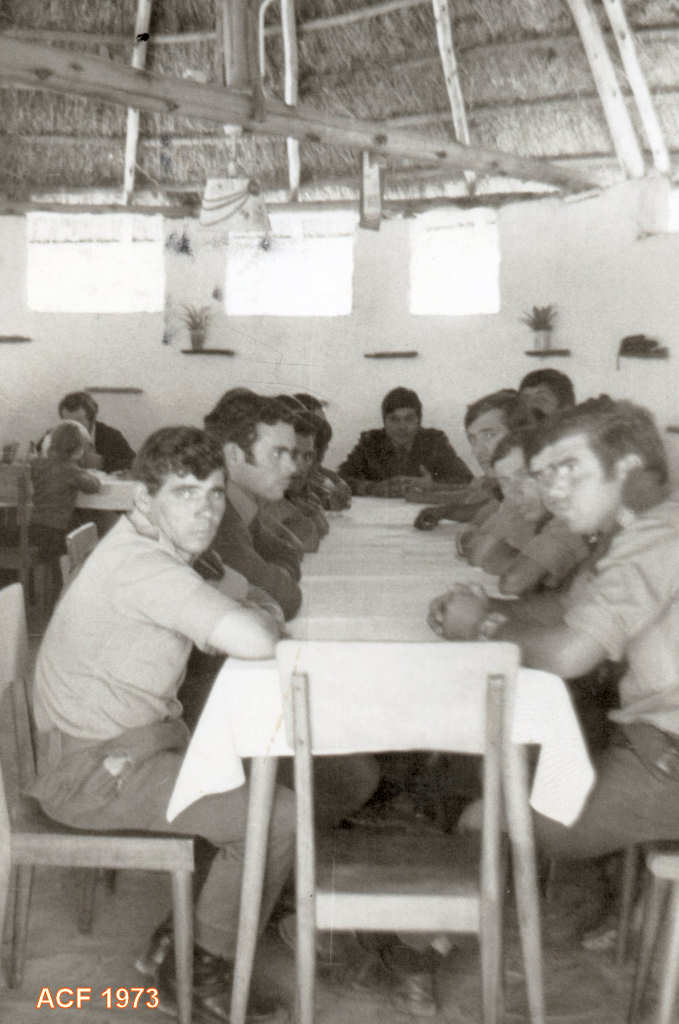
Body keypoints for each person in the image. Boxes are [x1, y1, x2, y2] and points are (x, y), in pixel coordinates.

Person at [28, 426, 294, 1023]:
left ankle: (180, 936)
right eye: (185, 493)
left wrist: (250, 605)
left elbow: (248, 601)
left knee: (263, 770)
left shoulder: (148, 548)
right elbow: (257, 636)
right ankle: (199, 974)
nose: (205, 510)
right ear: (145, 500)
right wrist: (260, 615)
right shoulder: (147, 569)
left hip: (117, 749)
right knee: (276, 816)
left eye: (214, 493)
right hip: (94, 774)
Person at [428, 400, 679, 862]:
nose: (554, 490)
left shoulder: (659, 535)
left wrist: (483, 625)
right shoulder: (634, 526)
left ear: (627, 468)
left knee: (493, 816)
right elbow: (568, 608)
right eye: (544, 475)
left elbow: (569, 654)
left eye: (569, 470)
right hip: (649, 743)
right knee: (518, 771)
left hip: (666, 761)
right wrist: (485, 607)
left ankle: (460, 920)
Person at [202, 391, 303, 620]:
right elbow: (286, 597)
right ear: (234, 455)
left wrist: (270, 574)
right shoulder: (214, 517)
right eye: (277, 454)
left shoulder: (240, 505)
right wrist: (274, 577)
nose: (291, 468)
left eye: (291, 454)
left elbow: (288, 552)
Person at [458, 428, 589, 595]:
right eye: (505, 482)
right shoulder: (521, 505)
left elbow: (513, 582)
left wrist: (525, 564)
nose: (514, 491)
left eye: (523, 475)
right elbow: (477, 555)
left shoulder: (570, 516)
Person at [413, 389, 534, 530]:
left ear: (521, 435)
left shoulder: (541, 486)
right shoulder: (511, 484)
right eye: (473, 439)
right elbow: (491, 509)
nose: (478, 450)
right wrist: (445, 511)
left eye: (489, 435)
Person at [338, 386, 471, 497]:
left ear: (419, 421)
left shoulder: (434, 441)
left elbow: (467, 481)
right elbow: (339, 480)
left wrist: (434, 486)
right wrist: (372, 488)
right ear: (384, 422)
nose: (401, 427)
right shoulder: (371, 442)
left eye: (409, 419)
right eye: (394, 419)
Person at [28, 421, 101, 558]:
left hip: (35, 526)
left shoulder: (38, 464)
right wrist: (86, 473)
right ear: (77, 450)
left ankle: (45, 568)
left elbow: (31, 463)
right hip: (57, 529)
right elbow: (94, 486)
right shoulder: (71, 470)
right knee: (82, 532)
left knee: (46, 554)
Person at [57, 391, 135, 473]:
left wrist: (102, 462)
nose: (73, 427)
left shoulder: (110, 435)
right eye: (68, 422)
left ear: (92, 419)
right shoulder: (55, 435)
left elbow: (134, 464)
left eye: (78, 421)